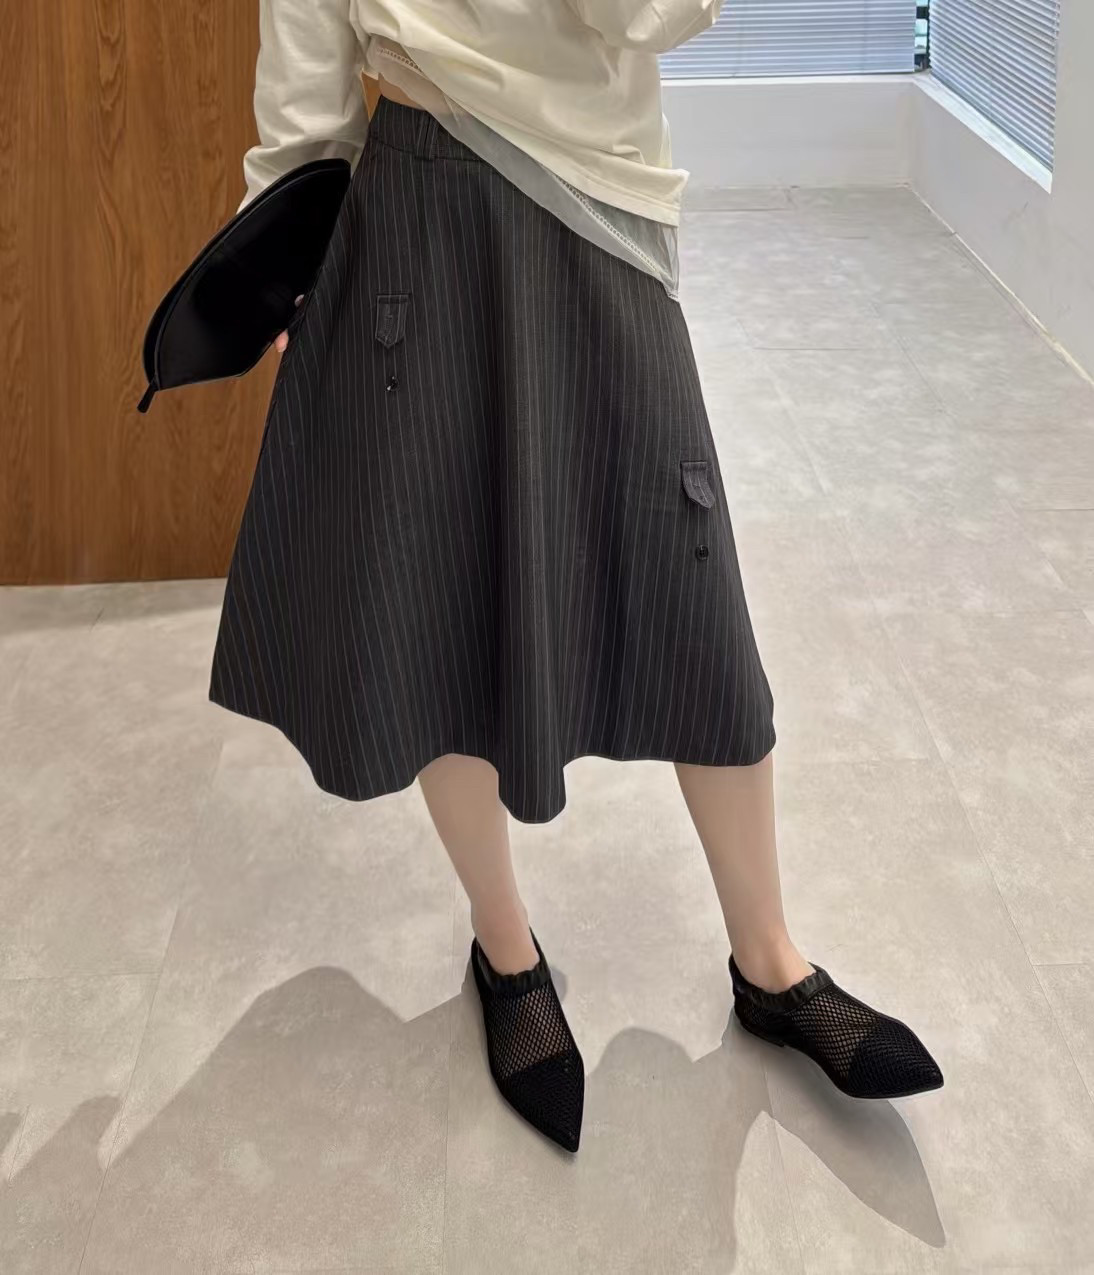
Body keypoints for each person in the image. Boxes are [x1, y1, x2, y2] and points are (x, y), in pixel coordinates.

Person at [209, 0, 943, 1154]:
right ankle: (505, 952)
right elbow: (305, 84)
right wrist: (279, 267)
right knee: (442, 603)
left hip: (599, 202)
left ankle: (769, 961)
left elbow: (654, 16)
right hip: (417, 223)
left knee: (693, 593)